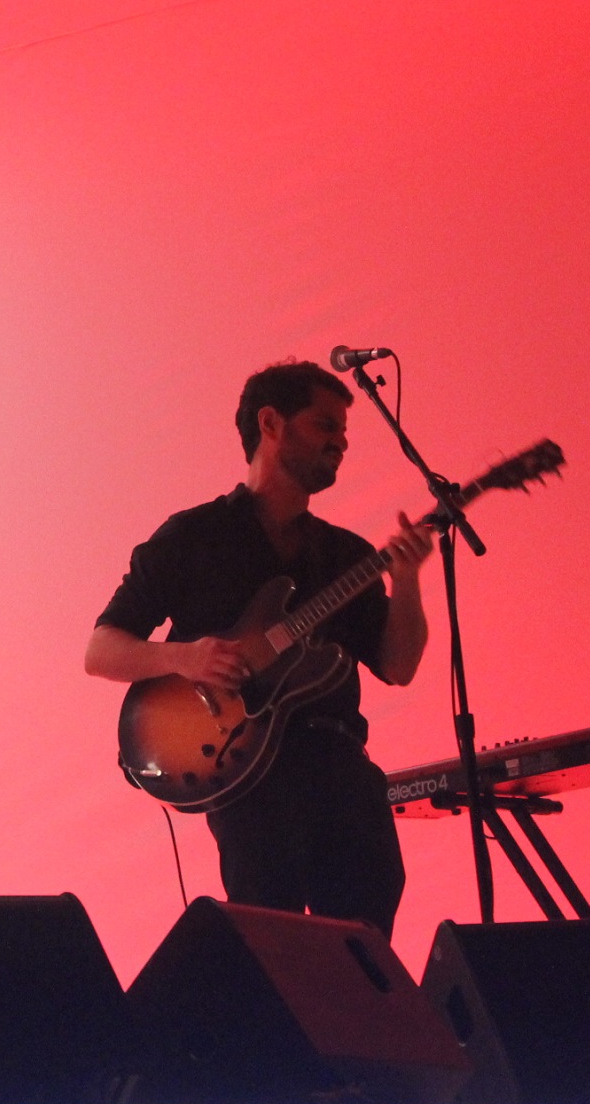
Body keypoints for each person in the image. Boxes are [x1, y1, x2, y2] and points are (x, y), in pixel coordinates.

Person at [83, 360, 434, 936]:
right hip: (248, 778)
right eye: (325, 425)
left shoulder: (345, 555)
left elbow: (398, 666)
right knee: (276, 942)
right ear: (271, 423)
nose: (341, 443)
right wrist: (185, 657)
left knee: (366, 941)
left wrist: (409, 579)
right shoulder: (192, 537)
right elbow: (101, 650)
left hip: (341, 771)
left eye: (344, 432)